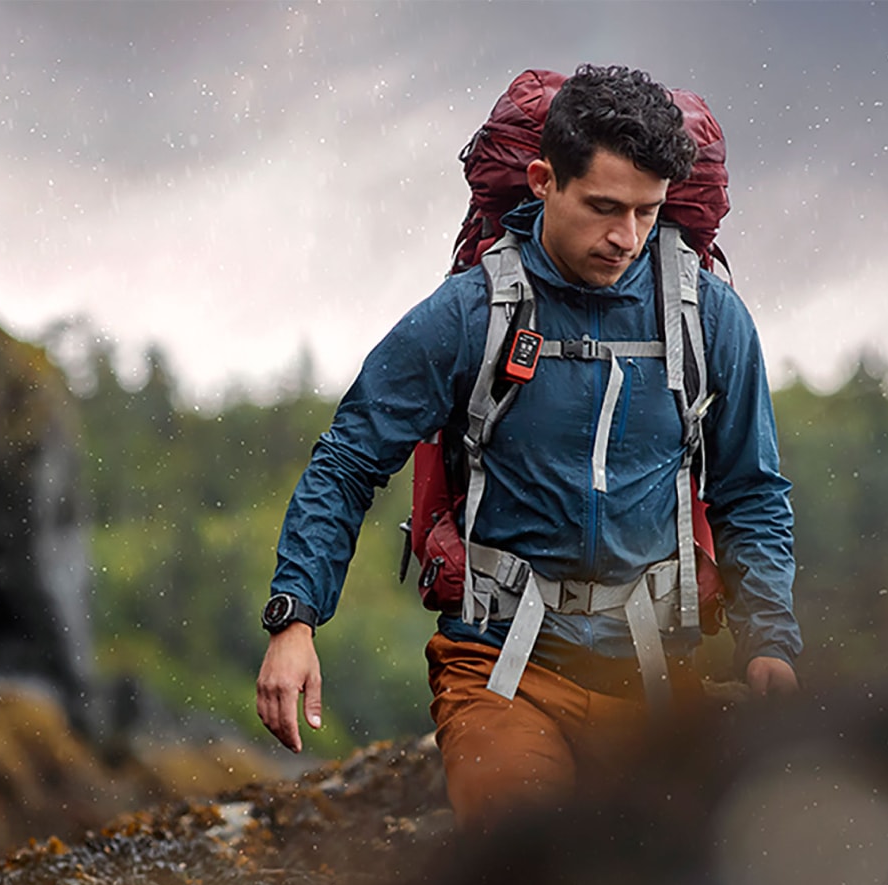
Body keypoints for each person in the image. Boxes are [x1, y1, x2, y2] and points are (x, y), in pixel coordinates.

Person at [256, 63, 802, 830]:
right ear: (543, 179)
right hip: (499, 668)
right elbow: (348, 461)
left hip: (654, 675)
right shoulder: (470, 312)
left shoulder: (708, 317)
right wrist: (294, 621)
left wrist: (768, 641)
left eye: (648, 212)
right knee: (530, 865)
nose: (627, 238)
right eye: (604, 207)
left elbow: (751, 491)